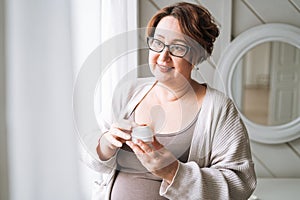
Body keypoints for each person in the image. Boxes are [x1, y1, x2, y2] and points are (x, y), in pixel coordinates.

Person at [92, 2, 257, 200]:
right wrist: (106, 146)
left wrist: (173, 171)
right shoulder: (129, 92)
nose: (163, 57)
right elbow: (92, 154)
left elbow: (241, 183)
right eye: (157, 42)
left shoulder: (218, 108)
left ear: (197, 56)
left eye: (177, 47)